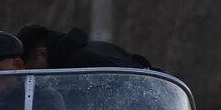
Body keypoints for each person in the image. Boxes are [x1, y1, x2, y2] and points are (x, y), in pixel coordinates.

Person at [16, 24, 153, 70]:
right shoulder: (97, 48)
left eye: (30, 69)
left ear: (42, 54)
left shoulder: (77, 68)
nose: (33, 77)